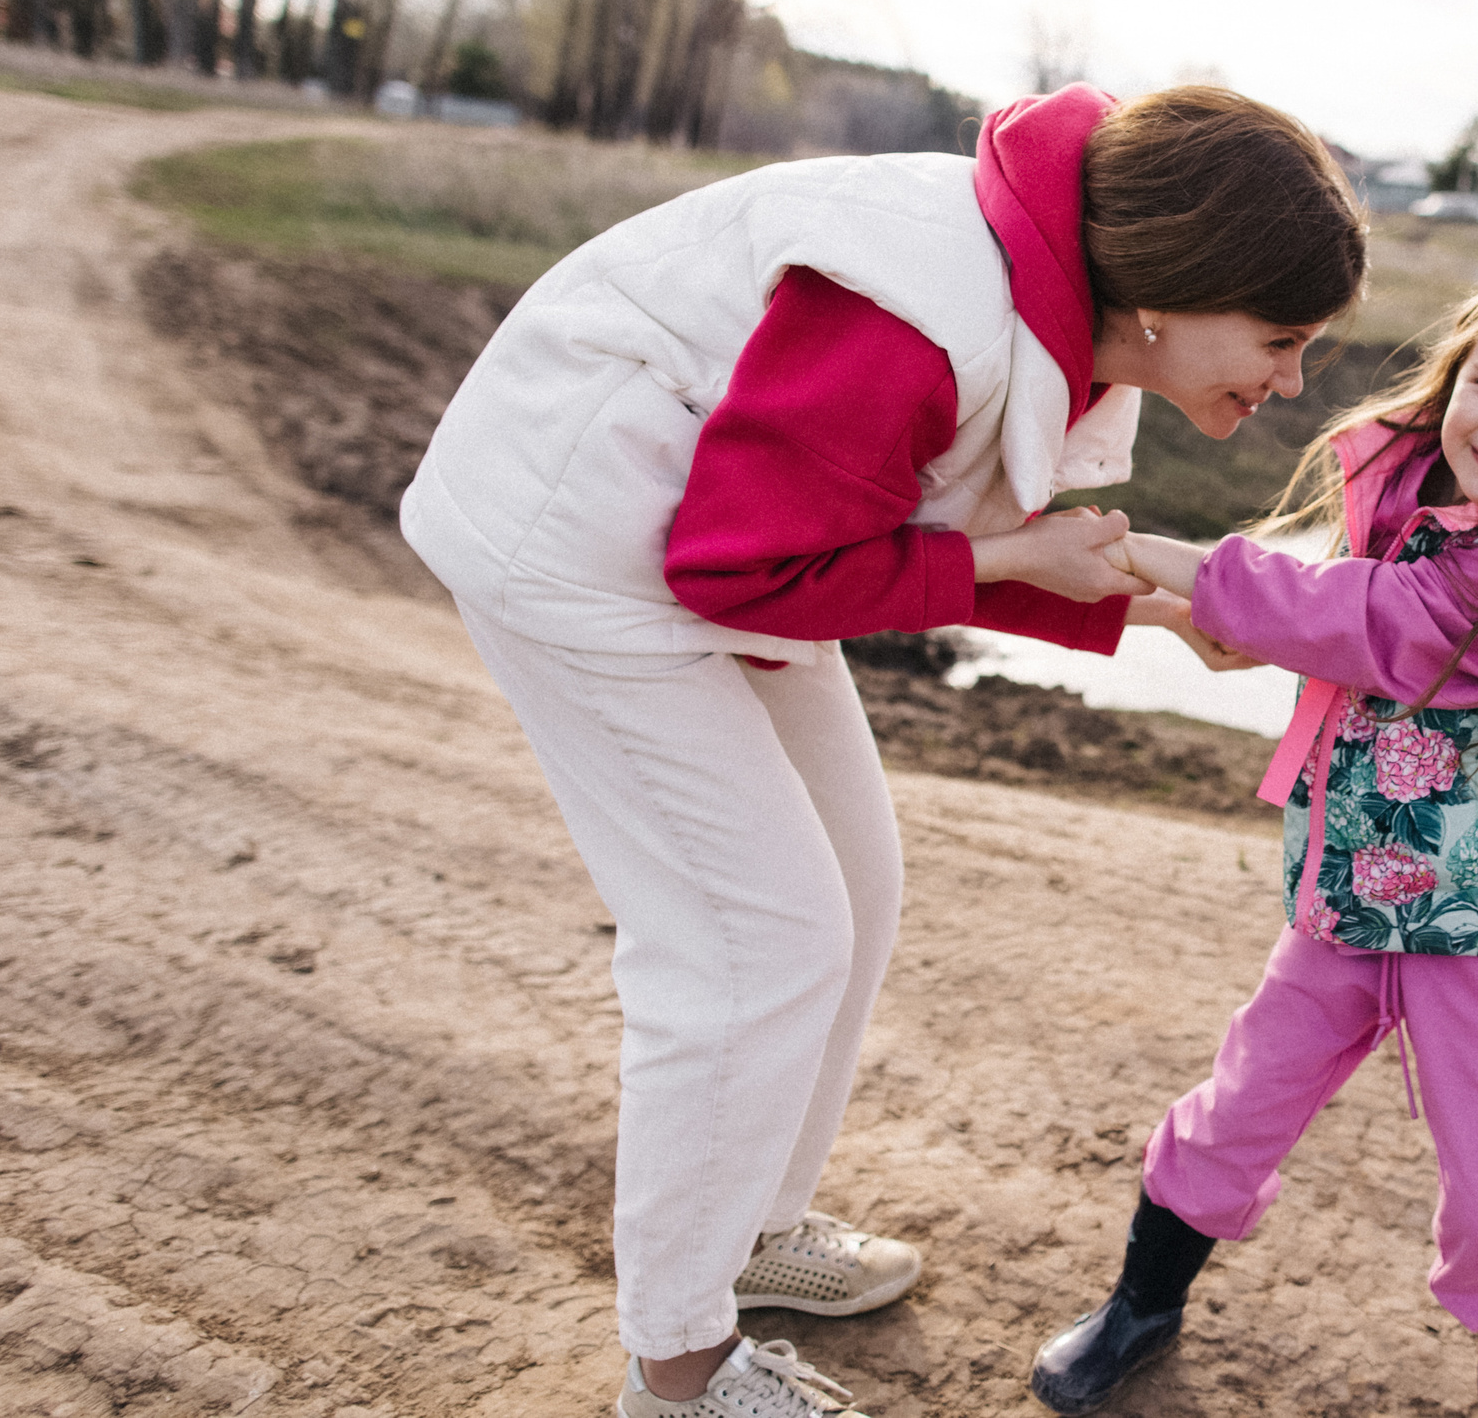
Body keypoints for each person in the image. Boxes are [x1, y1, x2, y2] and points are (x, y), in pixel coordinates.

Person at [399, 83, 1367, 1418]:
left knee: (856, 880)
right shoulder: (918, 312)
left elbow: (882, 513)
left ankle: (750, 1235)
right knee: (755, 938)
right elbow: (749, 565)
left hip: (707, 538)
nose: (1291, 379)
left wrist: (1158, 594)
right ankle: (674, 1371)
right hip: (583, 541)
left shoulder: (1056, 297)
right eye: (1282, 338)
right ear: (1177, 291)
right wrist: (1025, 564)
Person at [1028, 245, 1478, 1418]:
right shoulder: (1424, 502)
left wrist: (1135, 549)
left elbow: (1351, 615)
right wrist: (1172, 610)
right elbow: (1327, 618)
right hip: (1351, 902)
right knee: (1241, 1104)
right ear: (1456, 369)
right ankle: (1142, 1303)